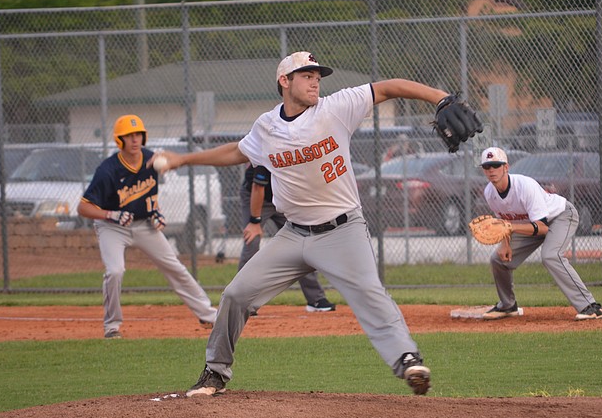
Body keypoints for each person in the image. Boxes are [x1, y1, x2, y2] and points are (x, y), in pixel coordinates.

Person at [153, 51, 456, 396]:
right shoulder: (267, 126)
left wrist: (441, 98)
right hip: (293, 235)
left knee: (370, 293)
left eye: (317, 75)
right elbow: (237, 152)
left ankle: (407, 359)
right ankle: (215, 372)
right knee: (236, 295)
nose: (315, 81)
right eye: (306, 75)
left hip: (342, 231)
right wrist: (184, 159)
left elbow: (389, 88)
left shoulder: (335, 108)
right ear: (285, 81)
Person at [78, 114, 218, 338]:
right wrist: (110, 214)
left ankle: (208, 315)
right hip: (111, 227)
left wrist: (155, 214)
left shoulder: (152, 161)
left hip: (144, 226)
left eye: (138, 135)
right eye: (129, 136)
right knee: (115, 271)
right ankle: (112, 326)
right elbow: (83, 208)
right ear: (119, 140)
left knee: (174, 266)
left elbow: (149, 197)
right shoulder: (108, 170)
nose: (135, 140)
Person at [477, 146, 602, 321]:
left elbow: (543, 228)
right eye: (487, 167)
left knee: (551, 255)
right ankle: (507, 306)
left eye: (496, 165)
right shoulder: (489, 193)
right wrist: (506, 244)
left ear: (506, 167)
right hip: (530, 225)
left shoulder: (524, 186)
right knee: (498, 259)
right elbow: (503, 224)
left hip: (560, 216)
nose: (491, 170)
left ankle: (590, 306)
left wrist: (511, 227)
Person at [240, 164, 336, 313]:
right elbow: (257, 188)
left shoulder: (301, 158)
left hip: (283, 201)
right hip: (256, 197)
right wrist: (254, 222)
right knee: (252, 242)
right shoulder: (268, 157)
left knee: (301, 242)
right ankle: (242, 302)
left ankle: (315, 299)